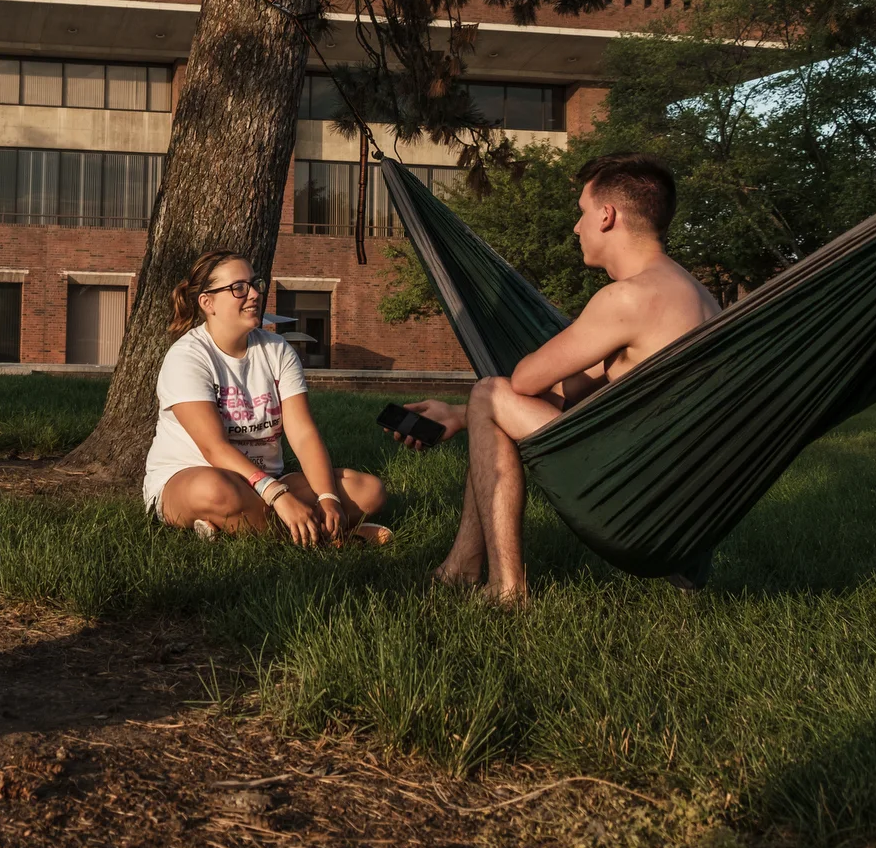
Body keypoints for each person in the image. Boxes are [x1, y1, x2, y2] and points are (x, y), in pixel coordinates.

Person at [396, 154, 720, 604]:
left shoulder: (628, 297)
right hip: (687, 501)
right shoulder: (695, 295)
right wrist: (460, 415)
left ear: (607, 216)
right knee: (487, 404)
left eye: (582, 213)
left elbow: (524, 381)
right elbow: (579, 387)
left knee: (490, 390)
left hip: (637, 499)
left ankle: (506, 588)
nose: (576, 228)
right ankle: (460, 568)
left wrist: (485, 402)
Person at [146, 249, 388, 545]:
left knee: (368, 490)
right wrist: (279, 497)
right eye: (238, 288)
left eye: (255, 284)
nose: (254, 294)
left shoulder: (277, 350)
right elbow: (214, 449)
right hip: (193, 479)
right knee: (213, 490)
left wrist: (327, 497)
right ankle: (326, 537)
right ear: (208, 303)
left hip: (265, 481)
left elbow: (302, 433)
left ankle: (238, 527)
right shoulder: (187, 356)